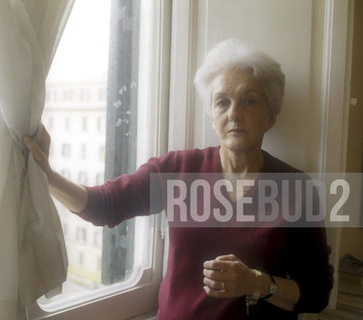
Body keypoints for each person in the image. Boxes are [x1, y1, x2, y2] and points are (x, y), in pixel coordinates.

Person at [23, 39, 332, 319]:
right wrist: (48, 178)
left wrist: (257, 283)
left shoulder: (297, 188)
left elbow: (316, 294)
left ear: (271, 115)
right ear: (212, 116)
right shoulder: (179, 171)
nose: (234, 113)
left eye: (249, 101)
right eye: (222, 102)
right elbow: (106, 205)